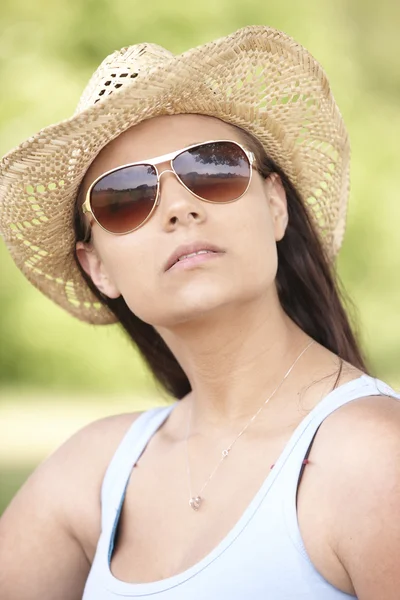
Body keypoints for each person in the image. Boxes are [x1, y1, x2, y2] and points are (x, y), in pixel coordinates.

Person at [0, 24, 399, 600]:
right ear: (98, 269)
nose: (180, 207)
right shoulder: (95, 472)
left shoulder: (375, 458)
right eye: (125, 197)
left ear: (275, 205)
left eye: (214, 169)